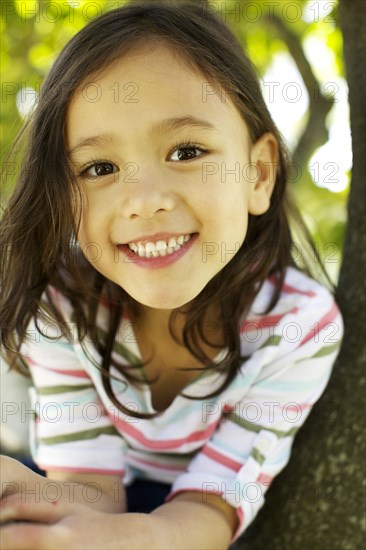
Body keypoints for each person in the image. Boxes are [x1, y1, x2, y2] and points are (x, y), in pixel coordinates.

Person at [0, 1, 344, 548]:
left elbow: (214, 502)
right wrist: (37, 508)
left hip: (206, 514)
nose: (144, 201)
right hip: (111, 493)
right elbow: (88, 487)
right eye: (99, 168)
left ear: (257, 174)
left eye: (186, 151)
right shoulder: (62, 304)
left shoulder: (298, 324)